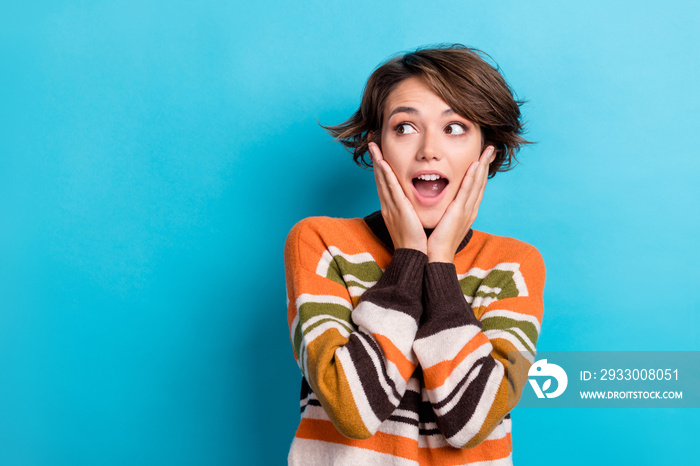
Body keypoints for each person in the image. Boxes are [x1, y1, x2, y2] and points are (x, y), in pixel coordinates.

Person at [283, 44, 546, 465]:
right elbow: (353, 409)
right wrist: (408, 257)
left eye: (455, 127)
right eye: (405, 127)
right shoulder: (321, 242)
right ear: (377, 147)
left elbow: (470, 421)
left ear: (486, 151)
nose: (428, 149)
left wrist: (438, 263)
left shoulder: (513, 265)